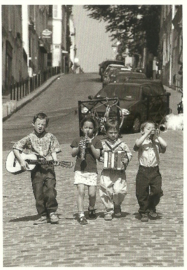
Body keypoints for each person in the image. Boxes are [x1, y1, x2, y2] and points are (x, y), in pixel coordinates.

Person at [13, 112, 61, 225]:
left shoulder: (50, 137)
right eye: (38, 124)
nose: (40, 126)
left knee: (50, 189)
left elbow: (54, 150)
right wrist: (21, 161)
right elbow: (16, 147)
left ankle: (52, 212)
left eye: (43, 124)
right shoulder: (29, 137)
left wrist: (55, 159)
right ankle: (43, 214)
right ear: (33, 124)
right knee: (38, 191)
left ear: (46, 126)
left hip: (48, 168)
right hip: (36, 169)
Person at [70, 116, 102, 225]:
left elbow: (98, 155)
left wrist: (91, 145)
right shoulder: (77, 139)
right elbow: (73, 153)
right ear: (82, 128)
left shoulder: (97, 141)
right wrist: (79, 147)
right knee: (81, 191)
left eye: (90, 128)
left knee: (92, 194)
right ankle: (81, 214)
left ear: (94, 129)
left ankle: (91, 207)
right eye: (86, 127)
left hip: (92, 170)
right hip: (80, 169)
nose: (88, 130)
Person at [133, 121, 167, 222]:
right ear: (142, 131)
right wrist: (146, 134)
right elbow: (137, 145)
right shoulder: (141, 141)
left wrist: (156, 136)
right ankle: (143, 211)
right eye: (148, 128)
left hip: (154, 170)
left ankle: (152, 207)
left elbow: (165, 145)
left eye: (152, 128)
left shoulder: (156, 141)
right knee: (141, 192)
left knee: (157, 191)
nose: (151, 130)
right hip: (143, 170)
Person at [99, 119, 132, 221]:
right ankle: (108, 210)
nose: (113, 135)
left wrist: (125, 160)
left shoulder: (122, 145)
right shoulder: (103, 144)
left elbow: (129, 154)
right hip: (107, 171)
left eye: (115, 132)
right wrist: (102, 159)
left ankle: (117, 204)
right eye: (110, 132)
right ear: (106, 132)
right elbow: (99, 155)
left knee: (119, 190)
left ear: (118, 132)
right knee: (105, 190)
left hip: (119, 172)